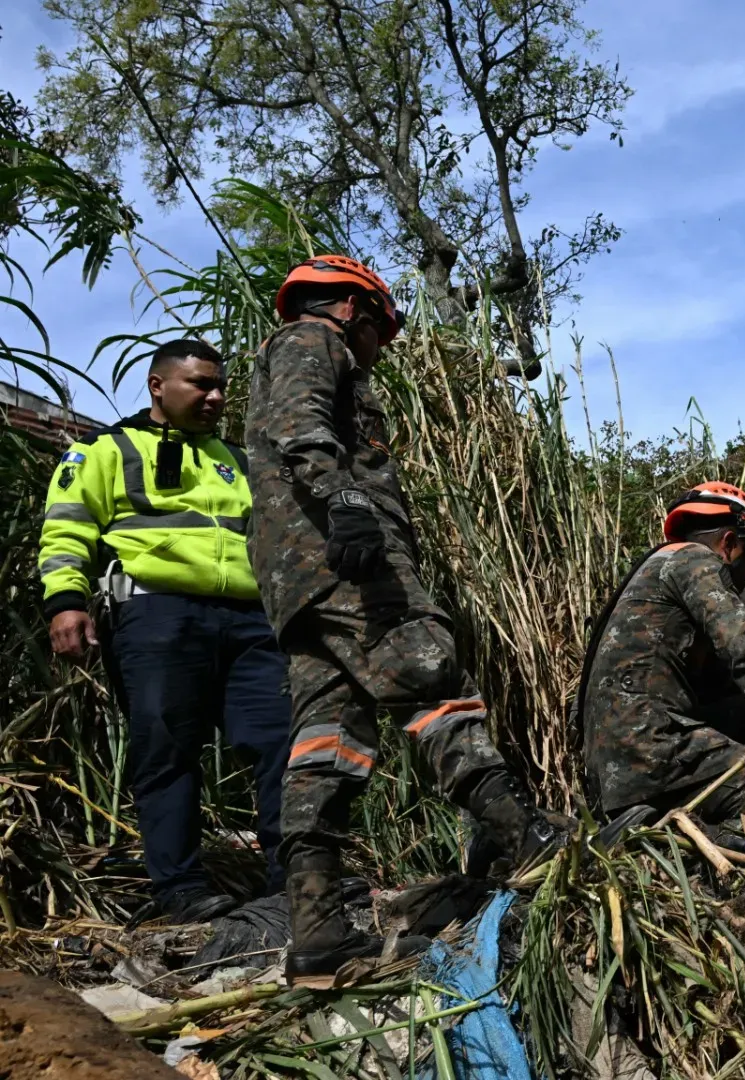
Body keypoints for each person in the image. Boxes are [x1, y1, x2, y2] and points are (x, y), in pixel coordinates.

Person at [249, 255, 566, 986]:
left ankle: (318, 930)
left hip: (299, 583)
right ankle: (525, 838)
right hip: (344, 561)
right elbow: (303, 425)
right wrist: (345, 501)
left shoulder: (292, 347)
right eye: (379, 333)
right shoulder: (312, 340)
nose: (378, 349)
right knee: (428, 671)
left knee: (326, 739)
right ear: (356, 312)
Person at [37, 339, 292, 924]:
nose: (216, 396)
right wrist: (65, 602)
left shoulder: (238, 459)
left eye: (220, 385)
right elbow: (65, 530)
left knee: (284, 740)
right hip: (156, 614)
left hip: (250, 621)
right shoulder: (106, 450)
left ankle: (298, 878)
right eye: (200, 384)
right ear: (158, 385)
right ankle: (180, 890)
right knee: (168, 749)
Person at [578, 482, 745, 839]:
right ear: (728, 544)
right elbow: (743, 647)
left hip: (615, 766)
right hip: (655, 748)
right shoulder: (695, 560)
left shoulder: (659, 565)